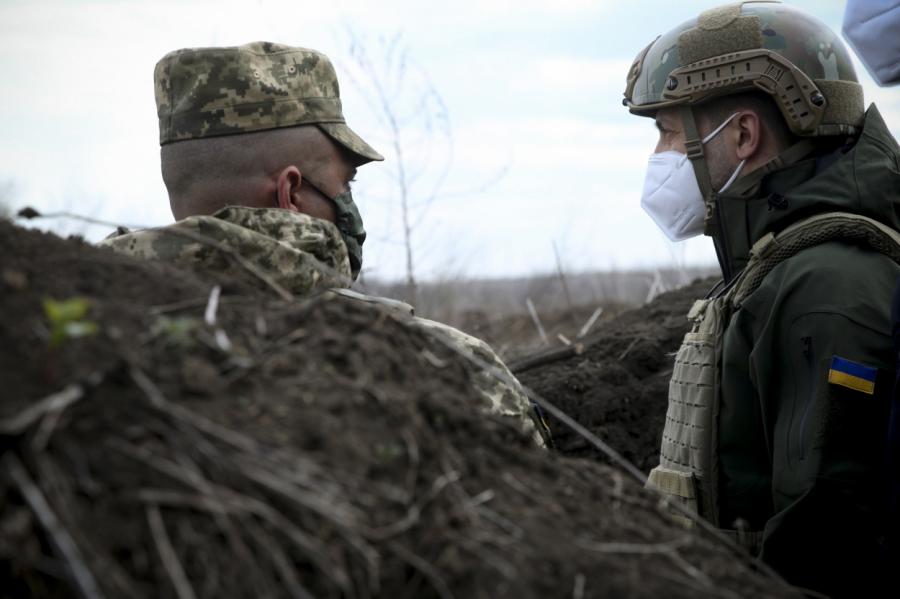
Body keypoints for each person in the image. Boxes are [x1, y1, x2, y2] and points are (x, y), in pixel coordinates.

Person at [100, 42, 549, 446]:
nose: (348, 204)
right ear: (291, 193)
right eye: (345, 183)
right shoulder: (442, 366)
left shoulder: (85, 330)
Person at [623, 1, 900, 595]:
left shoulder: (827, 287)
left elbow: (824, 544)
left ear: (743, 134)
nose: (659, 158)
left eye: (669, 132)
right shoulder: (777, 266)